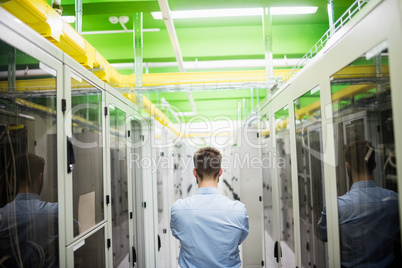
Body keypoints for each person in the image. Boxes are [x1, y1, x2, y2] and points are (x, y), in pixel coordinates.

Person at [318, 140, 400, 268]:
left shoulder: (336, 207)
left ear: (348, 166)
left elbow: (323, 235)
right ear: (374, 165)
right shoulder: (394, 200)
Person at [170, 147, 249, 268]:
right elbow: (238, 239)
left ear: (195, 172)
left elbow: (177, 234)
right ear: (220, 172)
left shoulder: (179, 209)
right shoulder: (238, 210)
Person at [0, 153, 58, 267]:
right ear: (40, 177)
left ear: (14, 178)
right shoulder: (54, 212)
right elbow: (78, 231)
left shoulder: (2, 216)